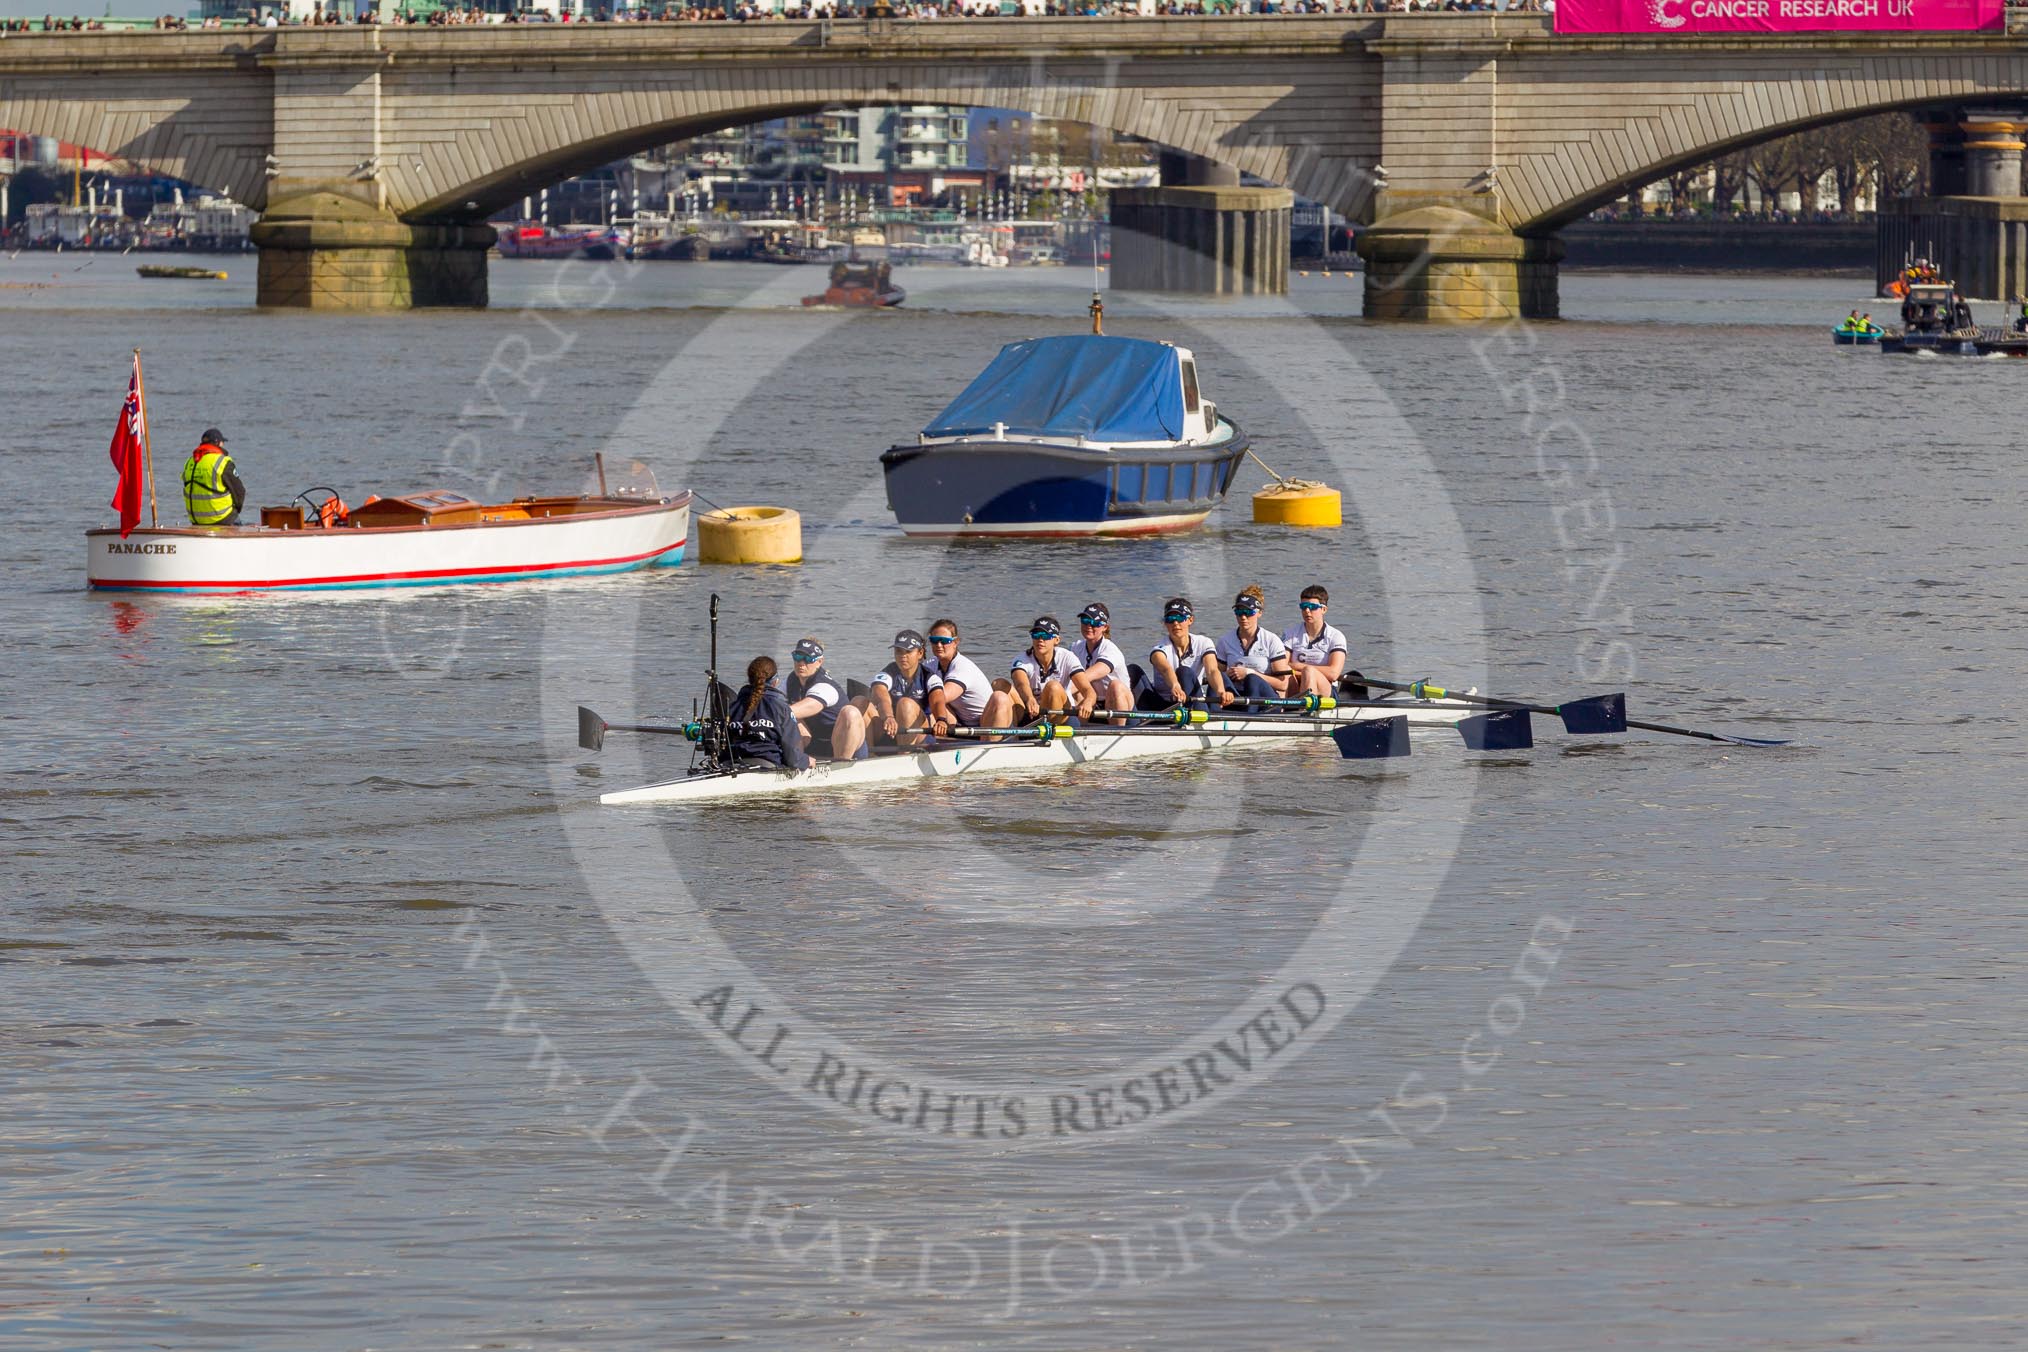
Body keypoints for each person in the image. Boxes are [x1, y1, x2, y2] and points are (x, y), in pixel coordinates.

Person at [992, 615, 1094, 728]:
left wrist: (1088, 702)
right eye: (1036, 635)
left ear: (1056, 640)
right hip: (1032, 710)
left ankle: (1050, 729)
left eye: (1045, 635)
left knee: (1053, 687)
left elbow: (1088, 690)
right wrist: (1030, 699)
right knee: (999, 684)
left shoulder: (1068, 657)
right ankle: (1012, 733)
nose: (1040, 640)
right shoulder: (1021, 659)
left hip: (1062, 714)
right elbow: (1021, 683)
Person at [1139, 597, 1232, 710]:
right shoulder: (1160, 649)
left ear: (1190, 620)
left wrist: (1221, 692)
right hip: (1163, 704)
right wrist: (1175, 685)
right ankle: (1128, 722)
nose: (1175, 623)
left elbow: (1212, 670)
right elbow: (1165, 669)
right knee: (1133, 670)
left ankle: (1194, 716)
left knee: (1185, 672)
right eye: (1170, 619)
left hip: (1192, 700)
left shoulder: (1203, 643)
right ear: (1165, 623)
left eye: (1180, 618)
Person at [785, 637, 867, 760]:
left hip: (842, 744)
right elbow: (772, 701)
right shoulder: (791, 680)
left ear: (819, 662)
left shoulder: (825, 686)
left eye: (807, 659)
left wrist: (770, 714)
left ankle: (842, 765)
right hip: (815, 742)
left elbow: (811, 705)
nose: (801, 663)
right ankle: (794, 762)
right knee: (793, 718)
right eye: (797, 657)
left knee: (851, 712)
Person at [1215, 585, 1295, 708]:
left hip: (1266, 701)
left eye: (1248, 612)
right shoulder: (1225, 641)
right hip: (1237, 696)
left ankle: (1249, 715)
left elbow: (1282, 684)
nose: (1243, 617)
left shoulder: (1271, 640)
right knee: (1219, 676)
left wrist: (1249, 672)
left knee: (1252, 679)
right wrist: (1228, 674)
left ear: (1259, 613)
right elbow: (1217, 676)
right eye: (1239, 612)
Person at [726, 656, 808, 769]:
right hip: (767, 765)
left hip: (730, 764)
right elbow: (793, 758)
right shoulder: (781, 708)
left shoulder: (732, 707)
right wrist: (806, 761)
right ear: (775, 681)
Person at [860, 628, 934, 750]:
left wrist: (941, 719)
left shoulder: (929, 676)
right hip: (892, 729)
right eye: (898, 651)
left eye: (908, 651)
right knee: (859, 701)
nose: (902, 656)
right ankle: (868, 756)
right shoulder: (888, 672)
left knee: (905, 704)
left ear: (920, 653)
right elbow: (880, 692)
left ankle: (904, 755)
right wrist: (889, 717)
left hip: (920, 733)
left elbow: (938, 699)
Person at [923, 619, 993, 739]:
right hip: (960, 722)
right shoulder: (931, 664)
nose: (939, 645)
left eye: (944, 641)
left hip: (983, 724)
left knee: (933, 700)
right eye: (934, 641)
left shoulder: (962, 667)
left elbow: (941, 697)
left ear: (955, 642)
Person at [1070, 601, 1134, 724]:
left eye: (1095, 623)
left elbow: (1088, 676)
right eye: (1085, 621)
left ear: (1105, 627)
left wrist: (1063, 690)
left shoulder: (1111, 650)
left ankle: (1118, 732)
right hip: (1091, 704)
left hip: (1118, 705)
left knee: (1115, 686)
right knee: (1076, 690)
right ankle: (1078, 730)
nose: (1089, 626)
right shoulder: (1075, 647)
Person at [1281, 585, 1350, 698]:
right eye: (1303, 606)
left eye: (1312, 607)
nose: (1307, 611)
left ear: (1324, 609)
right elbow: (1282, 667)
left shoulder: (1336, 636)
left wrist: (1299, 667)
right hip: (1296, 683)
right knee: (1286, 672)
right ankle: (1282, 710)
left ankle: (1303, 711)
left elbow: (1333, 674)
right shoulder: (1290, 633)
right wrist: (1302, 674)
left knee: (1309, 671)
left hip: (1326, 689)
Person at [181, 427, 244, 527]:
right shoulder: (223, 462)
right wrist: (236, 511)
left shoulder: (189, 462)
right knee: (237, 520)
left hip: (196, 519)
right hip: (222, 518)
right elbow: (239, 492)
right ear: (218, 443)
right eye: (223, 442)